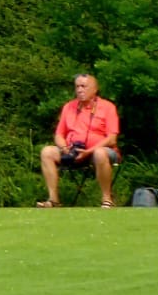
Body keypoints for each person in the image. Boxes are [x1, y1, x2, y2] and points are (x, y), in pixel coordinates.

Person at [38, 73, 121, 208]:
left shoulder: (108, 107)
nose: (79, 90)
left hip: (98, 153)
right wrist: (65, 148)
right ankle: (53, 200)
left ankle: (107, 199)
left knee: (100, 153)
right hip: (72, 151)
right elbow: (59, 134)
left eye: (83, 86)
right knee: (47, 151)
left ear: (95, 89)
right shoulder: (68, 107)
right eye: (77, 86)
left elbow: (112, 138)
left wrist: (89, 151)